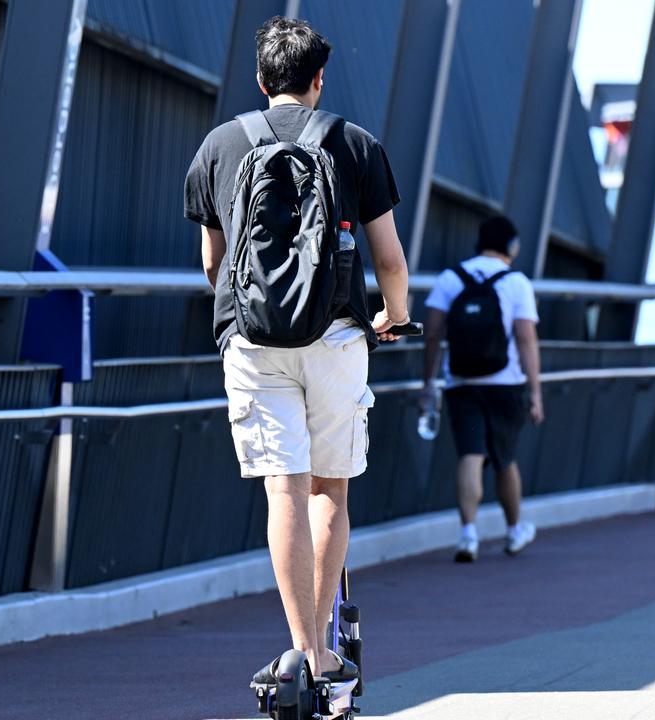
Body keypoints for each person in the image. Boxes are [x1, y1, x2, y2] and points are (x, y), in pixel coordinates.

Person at [183, 16, 411, 682]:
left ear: (260, 80)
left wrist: (249, 307)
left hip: (253, 341)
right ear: (318, 79)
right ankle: (323, 652)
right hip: (337, 333)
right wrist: (392, 319)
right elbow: (390, 260)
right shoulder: (355, 143)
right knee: (329, 489)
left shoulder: (222, 145)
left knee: (283, 491)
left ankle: (301, 655)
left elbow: (212, 262)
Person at [421, 216, 542, 563]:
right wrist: (535, 392)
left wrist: (428, 382)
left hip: (461, 382)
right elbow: (526, 338)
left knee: (470, 455)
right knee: (504, 459)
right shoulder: (516, 283)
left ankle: (468, 535)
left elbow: (431, 333)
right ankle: (515, 530)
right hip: (506, 383)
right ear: (511, 247)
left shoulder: (450, 278)